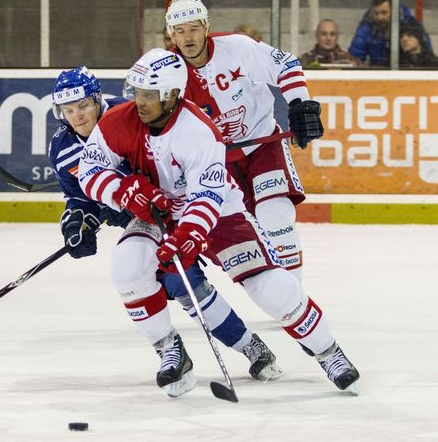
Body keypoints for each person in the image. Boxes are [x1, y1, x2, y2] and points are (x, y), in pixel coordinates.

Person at [77, 48, 360, 397]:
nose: (140, 102)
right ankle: (170, 352)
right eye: (136, 92)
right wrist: (124, 191)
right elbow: (89, 172)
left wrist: (188, 236)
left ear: (173, 94)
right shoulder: (118, 122)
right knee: (127, 267)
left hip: (218, 210)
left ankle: (329, 352)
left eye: (149, 95)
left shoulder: (199, 131)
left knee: (270, 287)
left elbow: (206, 198)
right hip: (158, 213)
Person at [49, 66, 282, 397]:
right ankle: (171, 351)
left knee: (187, 282)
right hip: (139, 220)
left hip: (179, 207)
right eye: (68, 110)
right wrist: (78, 222)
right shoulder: (61, 148)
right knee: (164, 281)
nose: (78, 117)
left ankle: (249, 347)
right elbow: (77, 197)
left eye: (84, 106)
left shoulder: (130, 114)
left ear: (98, 99)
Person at [165, 0, 318, 283]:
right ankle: (274, 287)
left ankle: (294, 295)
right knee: (246, 236)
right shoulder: (167, 72)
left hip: (262, 145)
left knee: (275, 217)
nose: (188, 37)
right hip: (216, 164)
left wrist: (299, 103)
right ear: (171, 34)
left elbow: (285, 64)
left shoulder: (237, 47)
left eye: (194, 28)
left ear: (206, 27)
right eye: (180, 30)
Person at [348, 0, 431, 67]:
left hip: (405, 71)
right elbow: (354, 58)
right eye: (376, 13)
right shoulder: (366, 27)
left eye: (384, 13)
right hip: (376, 73)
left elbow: (426, 55)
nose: (379, 17)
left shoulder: (411, 25)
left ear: (394, 11)